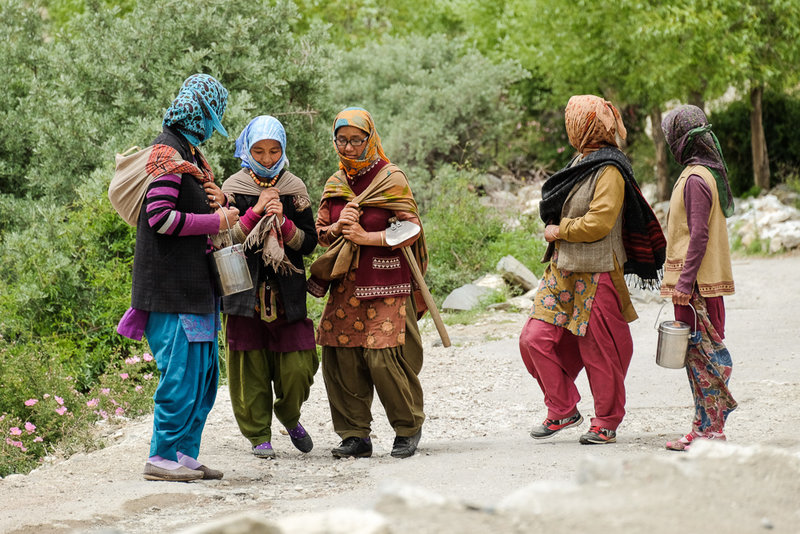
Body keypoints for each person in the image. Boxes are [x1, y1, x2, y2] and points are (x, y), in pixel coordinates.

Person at [519, 95, 666, 445]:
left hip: (598, 270)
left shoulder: (610, 170)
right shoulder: (582, 160)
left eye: (572, 121)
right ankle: (563, 408)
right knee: (533, 339)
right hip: (563, 268)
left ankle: (606, 421)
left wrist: (560, 230)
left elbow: (600, 222)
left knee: (600, 351)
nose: (568, 127)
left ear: (584, 127)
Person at [116, 74, 238, 481]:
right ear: (197, 114)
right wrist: (218, 221)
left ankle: (185, 454)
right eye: (210, 120)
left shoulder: (191, 156)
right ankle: (161, 456)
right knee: (181, 376)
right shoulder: (166, 155)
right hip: (170, 291)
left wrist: (219, 203)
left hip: (195, 288)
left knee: (204, 377)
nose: (210, 130)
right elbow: (161, 218)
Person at [307, 107, 427, 459]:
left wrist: (367, 236)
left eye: (356, 140)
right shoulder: (335, 183)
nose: (348, 147)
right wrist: (338, 226)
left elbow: (412, 228)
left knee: (383, 357)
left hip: (387, 280)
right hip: (346, 284)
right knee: (341, 357)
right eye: (341, 140)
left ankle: (407, 427)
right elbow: (321, 234)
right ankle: (355, 435)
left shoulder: (391, 178)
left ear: (370, 138)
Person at [218, 115, 319, 459]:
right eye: (258, 151)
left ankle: (290, 416)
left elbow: (309, 243)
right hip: (243, 292)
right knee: (249, 369)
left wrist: (284, 224)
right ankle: (258, 434)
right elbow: (223, 241)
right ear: (246, 150)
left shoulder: (294, 188)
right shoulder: (233, 189)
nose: (266, 158)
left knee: (299, 366)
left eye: (274, 151)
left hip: (286, 293)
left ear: (283, 149)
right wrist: (257, 211)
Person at [660, 105, 737, 451]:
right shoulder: (702, 174)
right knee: (697, 359)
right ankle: (703, 428)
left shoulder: (694, 180)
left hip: (696, 289)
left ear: (682, 140)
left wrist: (683, 283)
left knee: (705, 359)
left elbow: (698, 236)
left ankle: (711, 432)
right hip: (699, 286)